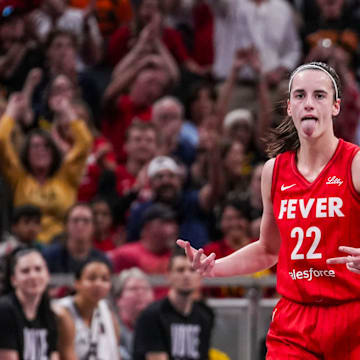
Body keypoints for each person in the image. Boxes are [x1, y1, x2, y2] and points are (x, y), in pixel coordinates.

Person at [178, 61, 360, 359]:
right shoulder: (274, 171)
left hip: (352, 314)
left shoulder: (355, 164)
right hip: (294, 320)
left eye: (319, 95)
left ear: (336, 106)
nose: (309, 103)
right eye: (300, 95)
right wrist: (215, 267)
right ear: (289, 107)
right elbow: (267, 249)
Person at [0, 93, 92, 244]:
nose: (41, 151)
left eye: (46, 147)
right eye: (35, 147)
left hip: (61, 246)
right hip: (26, 246)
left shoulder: (67, 176)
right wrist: (11, 113)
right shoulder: (19, 177)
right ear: (26, 153)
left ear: (54, 152)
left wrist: (66, 111)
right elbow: (2, 141)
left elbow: (84, 143)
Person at [133, 247, 214, 360]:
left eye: (192, 270)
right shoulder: (152, 315)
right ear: (168, 275)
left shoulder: (205, 314)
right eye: (180, 270)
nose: (186, 275)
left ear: (200, 276)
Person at [56, 258, 120, 360]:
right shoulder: (61, 311)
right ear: (77, 283)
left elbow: (116, 353)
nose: (98, 284)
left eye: (105, 279)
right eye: (91, 278)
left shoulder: (108, 312)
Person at [0, 249, 58, 359]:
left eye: (38, 269)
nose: (33, 276)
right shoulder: (4, 310)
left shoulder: (49, 313)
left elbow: (54, 355)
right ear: (13, 280)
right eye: (25, 271)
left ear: (47, 275)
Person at [113, 267, 154, 360]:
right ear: (119, 299)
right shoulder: (110, 326)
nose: (140, 293)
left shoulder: (158, 327)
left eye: (145, 288)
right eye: (133, 289)